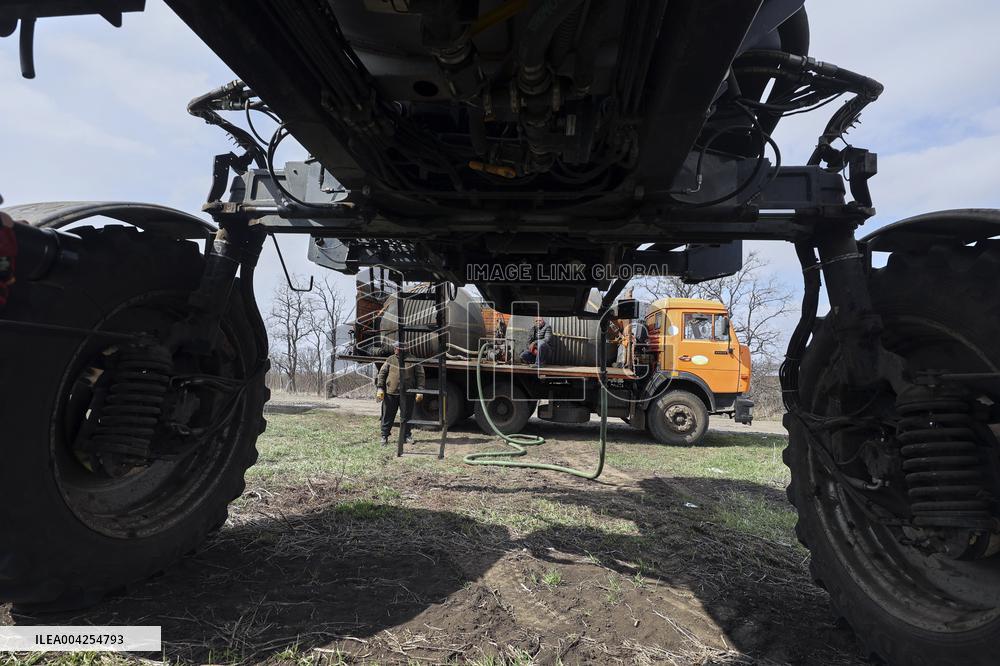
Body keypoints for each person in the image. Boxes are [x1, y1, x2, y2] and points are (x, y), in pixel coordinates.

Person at [375, 341, 425, 445]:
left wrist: (420, 390)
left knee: (406, 416)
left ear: (405, 349)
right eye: (395, 348)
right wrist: (380, 388)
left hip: (407, 393)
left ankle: (407, 435)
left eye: (398, 348)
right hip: (391, 393)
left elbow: (420, 375)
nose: (396, 349)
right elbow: (382, 373)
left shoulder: (413, 359)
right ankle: (384, 436)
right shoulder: (390, 359)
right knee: (387, 415)